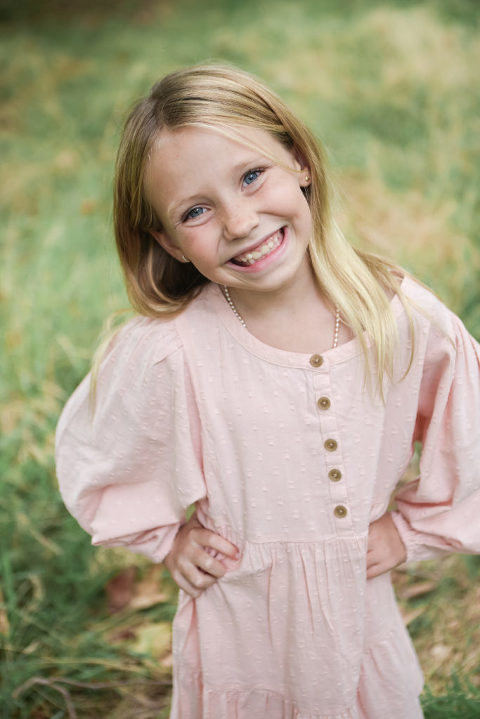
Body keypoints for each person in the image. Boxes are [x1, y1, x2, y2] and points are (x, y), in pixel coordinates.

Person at [55, 64, 480, 719]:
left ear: (299, 159)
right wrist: (166, 540)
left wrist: (412, 530)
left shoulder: (401, 320)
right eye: (196, 210)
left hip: (355, 612)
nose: (240, 220)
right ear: (169, 240)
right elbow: (98, 446)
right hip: (239, 622)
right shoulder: (174, 349)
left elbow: (468, 425)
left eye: (252, 176)